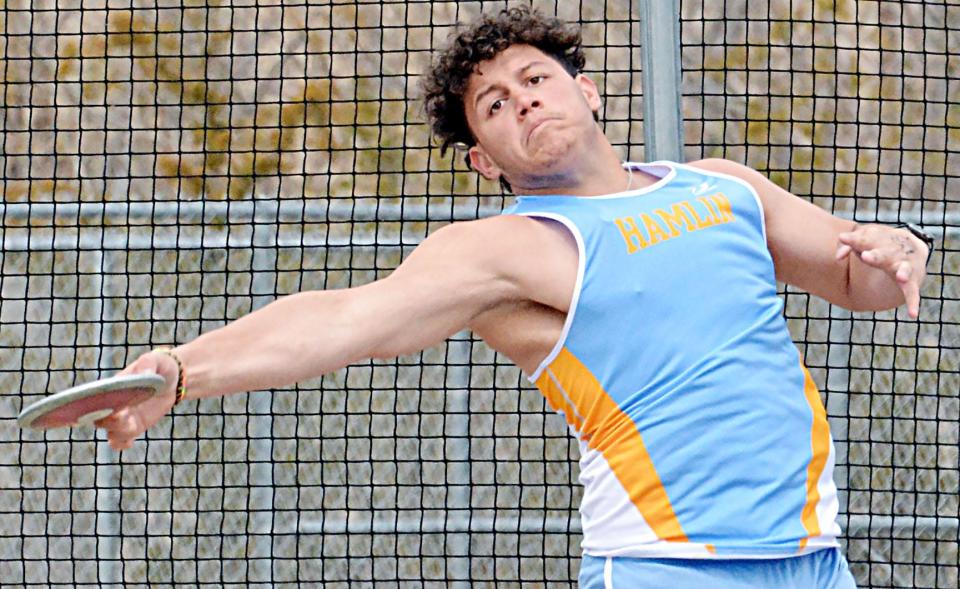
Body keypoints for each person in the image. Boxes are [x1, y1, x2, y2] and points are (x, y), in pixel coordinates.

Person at [97, 7, 933, 588]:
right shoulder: (506, 248)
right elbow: (344, 319)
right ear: (485, 162)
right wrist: (181, 368)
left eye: (536, 78)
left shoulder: (725, 188)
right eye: (494, 104)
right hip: (666, 564)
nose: (523, 98)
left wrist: (897, 242)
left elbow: (855, 274)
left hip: (814, 555)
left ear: (588, 90)